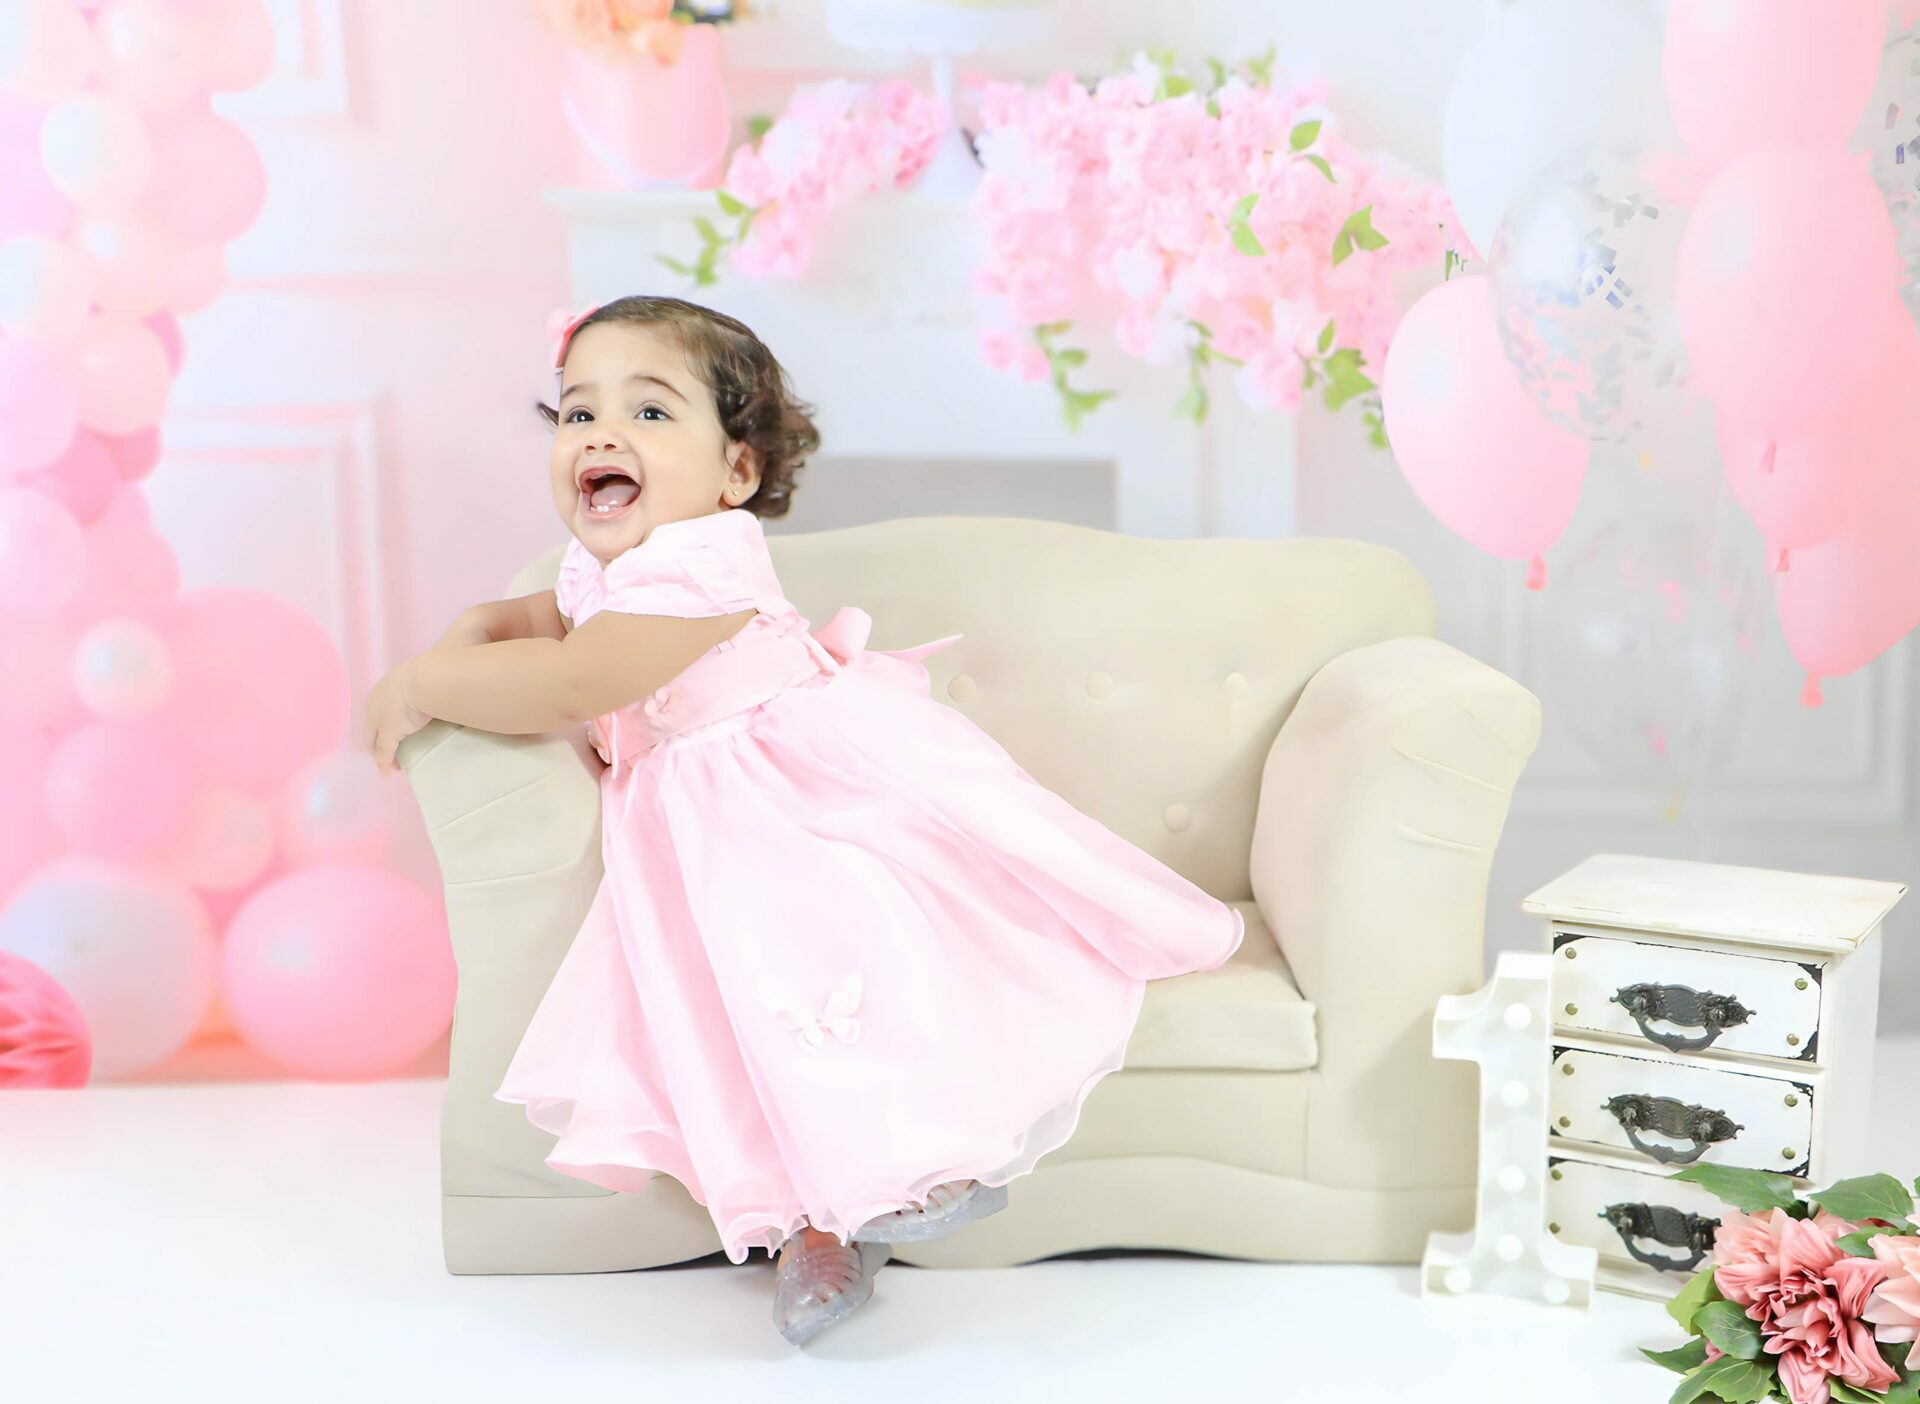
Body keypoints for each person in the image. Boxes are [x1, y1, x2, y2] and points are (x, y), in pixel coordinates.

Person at [362, 294, 1246, 1345]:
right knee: (730, 1011)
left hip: (790, 784)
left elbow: (576, 678)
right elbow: (548, 618)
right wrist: (479, 627)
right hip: (693, 816)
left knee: (833, 948)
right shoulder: (605, 566)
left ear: (735, 472)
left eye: (650, 413)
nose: (600, 434)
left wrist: (423, 681)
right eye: (578, 413)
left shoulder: (707, 563)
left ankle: (922, 1166)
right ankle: (814, 1230)